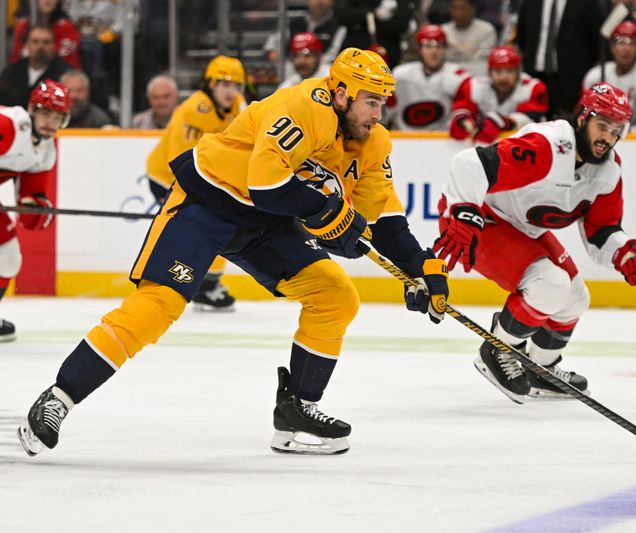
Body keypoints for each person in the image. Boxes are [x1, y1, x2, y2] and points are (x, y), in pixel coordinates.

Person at [16, 48, 449, 457]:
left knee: (335, 294)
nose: (378, 115)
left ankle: (296, 414)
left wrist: (422, 268)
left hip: (265, 222)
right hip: (210, 201)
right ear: (340, 94)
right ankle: (59, 397)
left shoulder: (373, 144)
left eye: (382, 103)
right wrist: (326, 212)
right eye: (371, 102)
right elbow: (265, 182)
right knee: (159, 304)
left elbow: (388, 222)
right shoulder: (301, 107)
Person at [434, 82, 636, 403]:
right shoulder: (548, 146)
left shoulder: (608, 171)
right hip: (480, 217)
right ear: (582, 118)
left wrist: (625, 253)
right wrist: (464, 211)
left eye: (616, 128)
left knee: (575, 297)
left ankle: (541, 367)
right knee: (550, 284)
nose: (608, 136)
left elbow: (602, 232)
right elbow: (469, 164)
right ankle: (498, 349)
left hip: (523, 228)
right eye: (602, 124)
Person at [145, 55, 247, 312]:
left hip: (203, 176)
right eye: (224, 83)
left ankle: (205, 283)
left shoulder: (237, 105)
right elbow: (179, 159)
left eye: (236, 85)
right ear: (211, 84)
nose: (230, 90)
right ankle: (191, 283)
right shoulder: (194, 109)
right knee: (199, 228)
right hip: (168, 176)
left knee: (217, 226)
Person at [0, 80, 71, 342]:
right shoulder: (8, 125)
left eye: (57, 116)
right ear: (31, 110)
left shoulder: (44, 152)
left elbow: (31, 204)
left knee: (7, 257)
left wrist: (36, 209)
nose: (50, 122)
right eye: (44, 112)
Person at [514, 0, 602, 117]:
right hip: (535, 79)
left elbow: (595, 43)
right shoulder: (530, 3)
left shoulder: (586, 3)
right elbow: (522, 38)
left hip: (569, 85)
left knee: (565, 130)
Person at [449, 45, 548, 144]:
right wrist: (461, 118)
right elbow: (463, 107)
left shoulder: (532, 88)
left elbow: (532, 119)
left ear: (518, 72)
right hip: (483, 148)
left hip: (523, 149)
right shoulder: (474, 86)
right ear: (490, 72)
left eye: (509, 71)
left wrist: (504, 122)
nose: (503, 77)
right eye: (498, 71)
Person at [387, 24, 470, 130]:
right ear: (419, 49)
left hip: (442, 140)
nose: (433, 52)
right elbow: (386, 110)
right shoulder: (400, 75)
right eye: (428, 46)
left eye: (438, 46)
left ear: (445, 48)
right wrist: (378, 74)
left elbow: (467, 110)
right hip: (406, 139)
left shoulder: (459, 77)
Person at [582, 21, 636, 128]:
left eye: (631, 43)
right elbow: (584, 113)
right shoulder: (595, 76)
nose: (626, 49)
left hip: (635, 134)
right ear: (612, 47)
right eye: (621, 42)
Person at [0, 24, 72, 108]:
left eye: (46, 42)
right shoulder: (12, 72)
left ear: (54, 45)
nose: (40, 47)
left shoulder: (66, 74)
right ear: (27, 45)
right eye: (35, 41)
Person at [10, 0, 82, 69]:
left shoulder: (67, 27)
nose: (48, 0)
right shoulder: (22, 26)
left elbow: (67, 63)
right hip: (26, 76)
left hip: (59, 77)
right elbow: (15, 59)